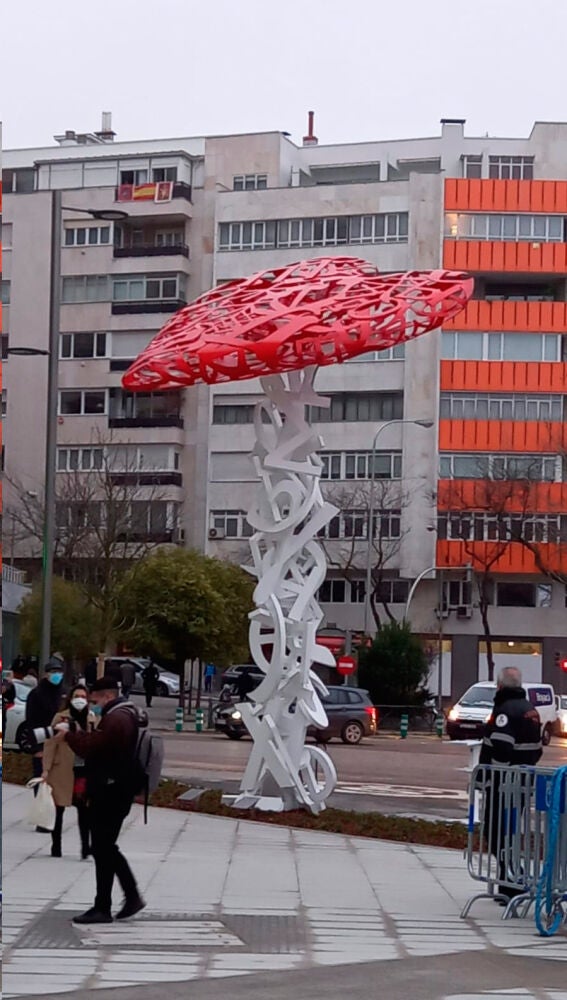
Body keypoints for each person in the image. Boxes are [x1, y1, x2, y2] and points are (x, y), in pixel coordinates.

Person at [53, 676, 145, 924]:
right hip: (117, 789)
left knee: (103, 847)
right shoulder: (125, 714)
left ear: (107, 696)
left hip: (111, 791)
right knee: (105, 847)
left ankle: (106, 906)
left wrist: (70, 735)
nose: (93, 704)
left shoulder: (116, 718)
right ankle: (127, 897)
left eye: (94, 700)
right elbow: (99, 744)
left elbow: (92, 749)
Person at [479, 666, 543, 902]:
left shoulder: (505, 710)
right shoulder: (530, 709)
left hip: (503, 784)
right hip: (522, 782)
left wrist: (494, 776)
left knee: (496, 831)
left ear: (500, 686)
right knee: (511, 832)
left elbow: (502, 747)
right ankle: (510, 879)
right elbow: (537, 749)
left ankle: (511, 879)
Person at [42, 684, 97, 859]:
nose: (80, 700)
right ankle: (56, 846)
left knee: (84, 810)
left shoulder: (91, 718)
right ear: (70, 699)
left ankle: (85, 847)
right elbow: (50, 743)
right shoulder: (61, 717)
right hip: (62, 769)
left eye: (83, 696)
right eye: (76, 696)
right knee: (58, 809)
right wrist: (46, 769)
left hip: (83, 770)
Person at [25, 658, 66, 829]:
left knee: (57, 783)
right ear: (46, 674)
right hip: (42, 741)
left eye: (59, 672)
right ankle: (43, 819)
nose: (57, 675)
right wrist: (36, 748)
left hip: (61, 743)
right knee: (43, 781)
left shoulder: (63, 693)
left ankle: (55, 817)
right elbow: (31, 722)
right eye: (53, 672)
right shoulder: (36, 695)